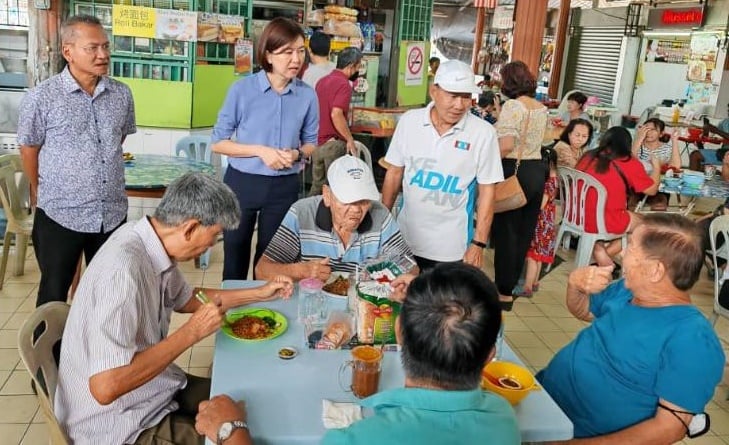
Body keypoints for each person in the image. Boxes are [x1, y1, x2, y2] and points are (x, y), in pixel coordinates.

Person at [54, 173, 294, 445]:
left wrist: (259, 293)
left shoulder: (149, 242)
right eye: (214, 237)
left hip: (153, 390)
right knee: (238, 435)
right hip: (120, 426)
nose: (211, 246)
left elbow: (188, 298)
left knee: (247, 403)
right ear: (190, 228)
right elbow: (105, 387)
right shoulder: (122, 272)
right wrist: (193, 332)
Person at [538, 213, 725, 442]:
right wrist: (575, 284)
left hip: (580, 435)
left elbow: (668, 429)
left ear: (655, 271)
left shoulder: (693, 339)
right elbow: (583, 310)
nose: (623, 253)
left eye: (632, 248)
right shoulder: (627, 290)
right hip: (543, 403)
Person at [321, 263, 520, 444]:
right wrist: (425, 295)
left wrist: (422, 299)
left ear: (398, 331)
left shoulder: (349, 440)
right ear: (489, 356)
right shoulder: (504, 419)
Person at [17, 15, 136, 308]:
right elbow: (29, 149)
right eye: (93, 48)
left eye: (106, 47)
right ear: (68, 51)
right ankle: (50, 353)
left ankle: (98, 353)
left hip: (110, 212)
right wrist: (40, 190)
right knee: (54, 294)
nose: (103, 55)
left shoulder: (121, 94)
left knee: (107, 293)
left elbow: (115, 140)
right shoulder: (42, 97)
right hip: (61, 213)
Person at [211, 17, 319, 281]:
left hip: (283, 187)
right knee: (235, 256)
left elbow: (311, 142)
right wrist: (261, 150)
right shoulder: (242, 90)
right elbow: (218, 142)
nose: (296, 59)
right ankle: (233, 315)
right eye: (287, 52)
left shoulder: (307, 95)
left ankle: (263, 316)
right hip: (241, 184)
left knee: (271, 261)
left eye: (300, 51)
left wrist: (297, 154)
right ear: (268, 55)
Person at [381, 60, 503, 271]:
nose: (459, 105)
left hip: (452, 248)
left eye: (466, 97)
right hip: (404, 241)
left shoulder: (483, 133)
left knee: (443, 303)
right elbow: (394, 174)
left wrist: (478, 243)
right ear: (433, 91)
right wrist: (380, 225)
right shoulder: (410, 122)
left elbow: (487, 192)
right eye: (453, 95)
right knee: (400, 300)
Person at [257, 155, 414, 281]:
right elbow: (262, 271)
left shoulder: (380, 215)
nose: (356, 210)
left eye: (364, 201)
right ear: (327, 195)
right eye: (347, 201)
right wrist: (302, 270)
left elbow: (411, 268)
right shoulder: (301, 213)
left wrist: (400, 282)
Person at [491, 61, 548, 310]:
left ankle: (502, 291)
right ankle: (510, 285)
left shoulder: (513, 106)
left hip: (515, 169)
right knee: (523, 232)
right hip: (536, 170)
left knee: (507, 233)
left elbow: (505, 145)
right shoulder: (541, 108)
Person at [575, 127, 660, 267]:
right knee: (646, 224)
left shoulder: (588, 156)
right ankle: (603, 258)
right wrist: (656, 168)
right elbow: (651, 191)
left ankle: (600, 252)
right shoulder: (628, 162)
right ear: (627, 145)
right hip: (605, 219)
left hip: (576, 214)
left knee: (626, 218)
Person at [309, 47, 364, 196]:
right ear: (351, 65)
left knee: (317, 189)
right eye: (358, 67)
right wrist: (349, 139)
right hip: (333, 145)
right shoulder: (343, 84)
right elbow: (336, 114)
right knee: (334, 191)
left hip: (317, 145)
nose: (358, 71)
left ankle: (308, 217)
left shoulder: (322, 81)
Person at [514, 145, 559, 298]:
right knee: (539, 257)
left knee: (532, 256)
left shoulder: (548, 183)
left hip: (540, 225)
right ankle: (534, 283)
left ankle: (526, 287)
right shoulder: (554, 180)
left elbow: (540, 205)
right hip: (546, 225)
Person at [632, 117, 681, 211]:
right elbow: (631, 161)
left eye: (653, 130)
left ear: (661, 134)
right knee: (631, 203)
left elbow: (676, 166)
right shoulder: (637, 146)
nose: (649, 133)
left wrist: (674, 141)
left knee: (660, 205)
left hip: (659, 188)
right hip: (638, 186)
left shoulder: (666, 148)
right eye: (646, 129)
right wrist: (639, 139)